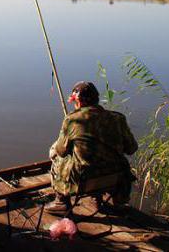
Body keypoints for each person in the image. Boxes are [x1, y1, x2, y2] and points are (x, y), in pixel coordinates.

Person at [45, 81, 138, 214]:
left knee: (56, 156)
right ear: (97, 99)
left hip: (83, 180)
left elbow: (61, 151)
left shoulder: (72, 120)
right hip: (114, 176)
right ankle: (100, 199)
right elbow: (131, 148)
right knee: (108, 157)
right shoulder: (118, 118)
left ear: (78, 102)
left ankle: (61, 201)